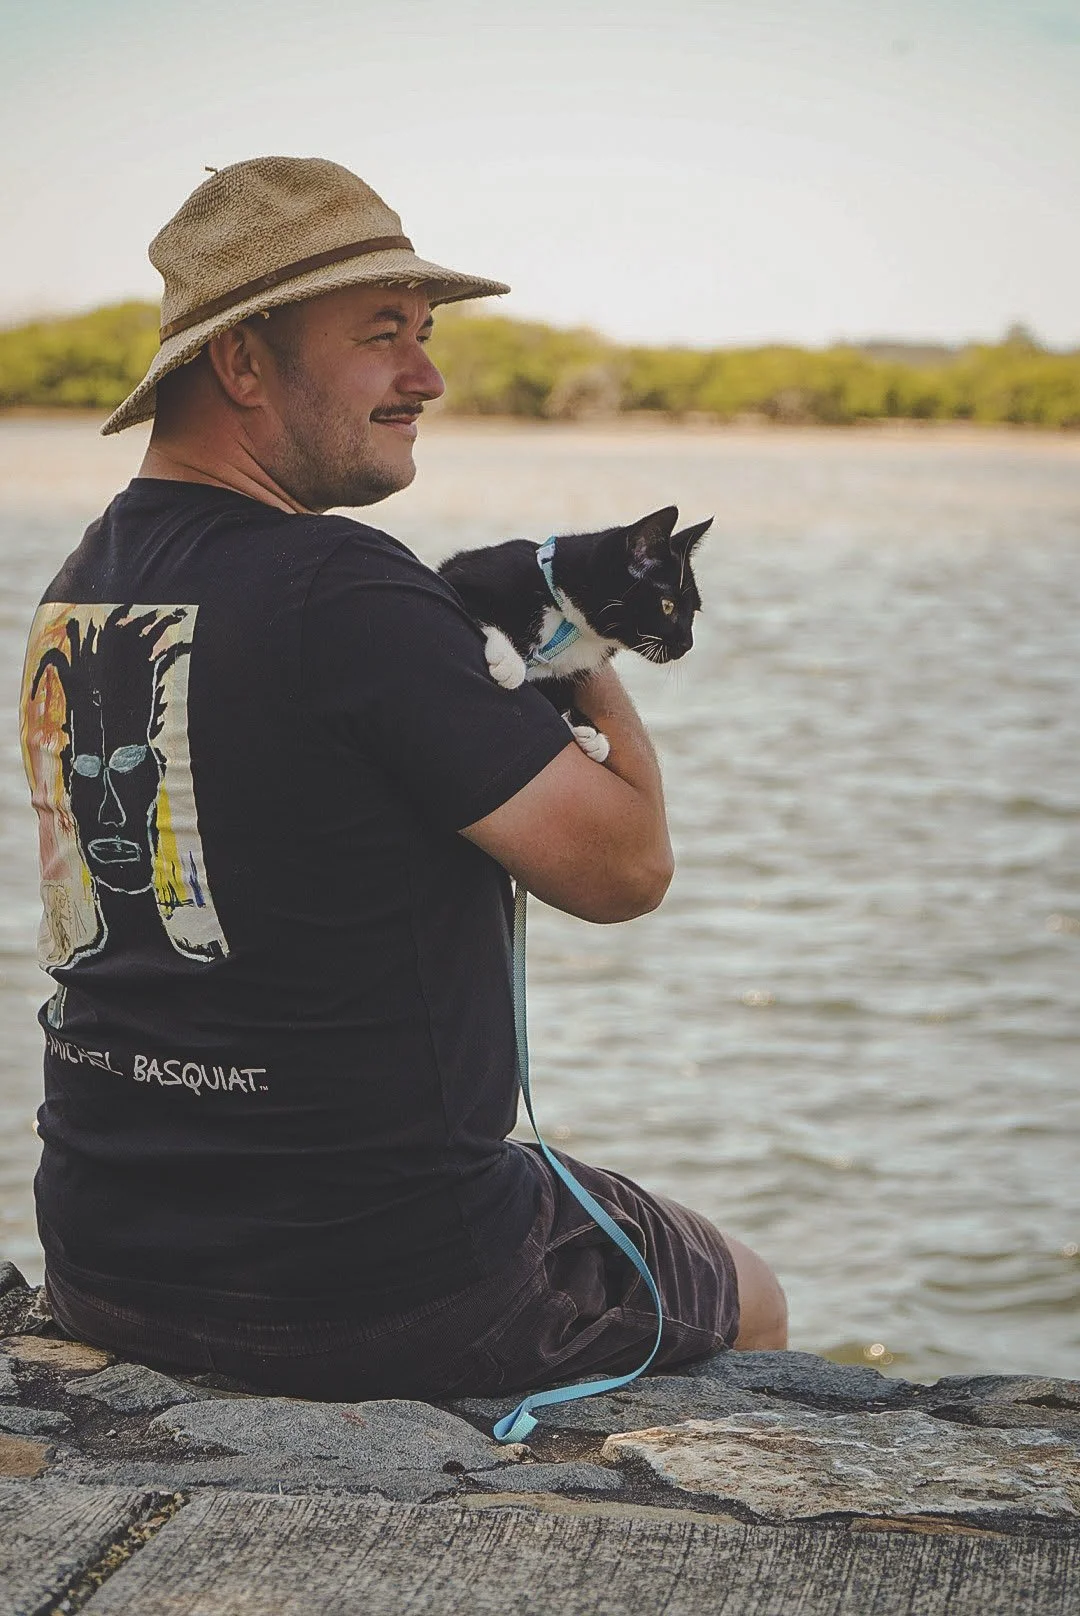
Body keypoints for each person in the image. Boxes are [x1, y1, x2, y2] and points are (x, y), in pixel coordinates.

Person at [20, 156, 786, 1400]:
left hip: (108, 1254)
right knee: (748, 1292)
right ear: (244, 362)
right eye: (384, 337)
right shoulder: (347, 586)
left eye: (425, 336)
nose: (427, 376)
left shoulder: (80, 590)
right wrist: (575, 645)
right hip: (377, 1284)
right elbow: (625, 866)